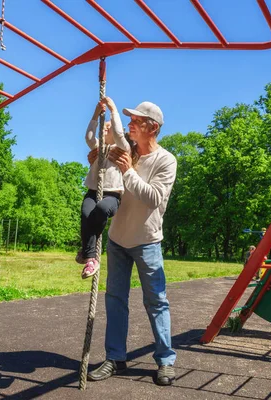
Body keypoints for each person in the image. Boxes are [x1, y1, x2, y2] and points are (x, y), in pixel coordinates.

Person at [87, 101, 178, 386]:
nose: (130, 124)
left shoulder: (166, 160)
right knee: (115, 301)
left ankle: (165, 360)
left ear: (153, 127)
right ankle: (115, 358)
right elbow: (100, 163)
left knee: (156, 302)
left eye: (136, 120)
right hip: (117, 240)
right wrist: (98, 156)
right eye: (130, 120)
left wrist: (128, 172)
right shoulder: (124, 151)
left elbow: (153, 198)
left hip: (147, 241)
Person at [77, 97, 131, 279]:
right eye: (104, 126)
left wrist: (113, 110)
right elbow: (89, 136)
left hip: (112, 195)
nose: (106, 128)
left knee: (100, 210)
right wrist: (95, 115)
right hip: (93, 191)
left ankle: (87, 249)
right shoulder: (98, 148)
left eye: (109, 127)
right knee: (86, 214)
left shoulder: (123, 148)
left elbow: (117, 131)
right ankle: (90, 257)